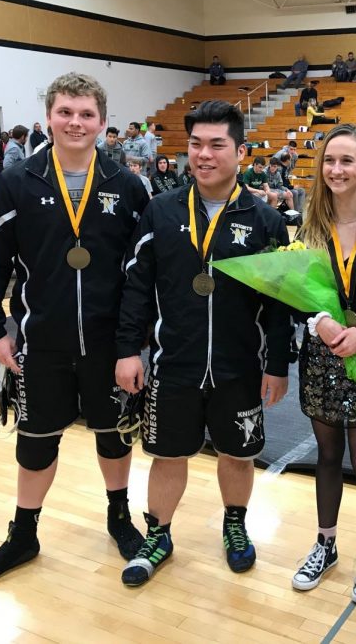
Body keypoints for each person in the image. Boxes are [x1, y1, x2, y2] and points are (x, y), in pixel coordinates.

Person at [0, 72, 149, 589]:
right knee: (36, 442)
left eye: (86, 114)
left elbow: (141, 273)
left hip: (111, 346)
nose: (75, 122)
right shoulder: (18, 182)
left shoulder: (127, 185)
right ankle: (23, 535)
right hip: (39, 343)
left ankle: (118, 518)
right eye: (66, 111)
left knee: (114, 438)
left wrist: (133, 344)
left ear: (103, 123)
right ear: (49, 116)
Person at [114, 99, 292, 586]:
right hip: (174, 363)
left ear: (240, 151)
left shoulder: (265, 221)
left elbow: (279, 305)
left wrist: (277, 365)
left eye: (217, 145)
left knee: (238, 453)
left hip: (240, 367)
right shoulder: (159, 210)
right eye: (196, 144)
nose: (204, 155)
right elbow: (136, 285)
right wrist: (129, 349)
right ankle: (159, 533)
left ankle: (234, 524)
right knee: (167, 454)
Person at [290, 123, 356, 604]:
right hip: (322, 351)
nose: (337, 169)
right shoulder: (308, 226)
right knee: (327, 456)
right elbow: (292, 296)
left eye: (348, 161)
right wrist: (320, 322)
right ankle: (326, 544)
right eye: (330, 161)